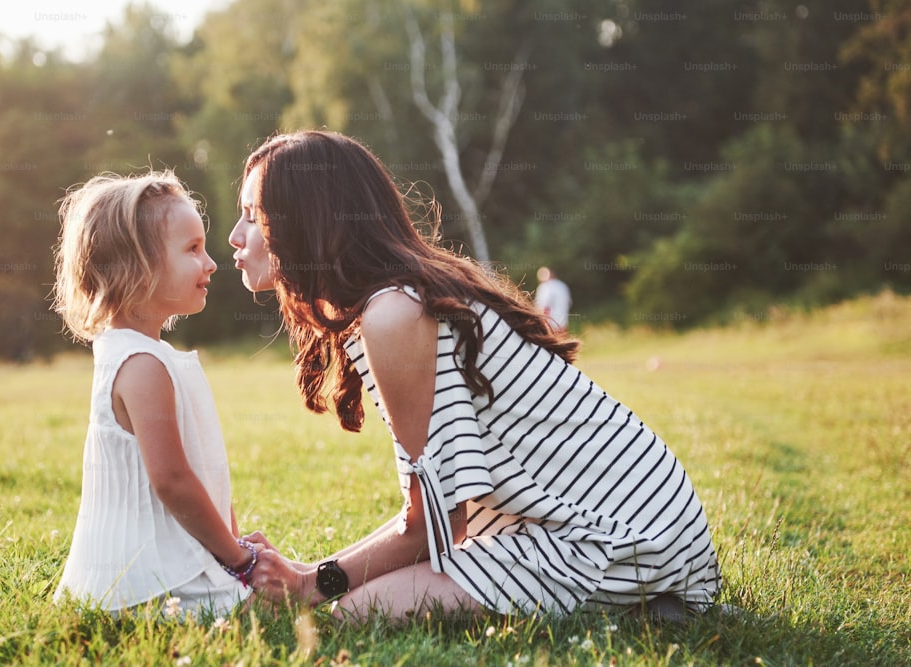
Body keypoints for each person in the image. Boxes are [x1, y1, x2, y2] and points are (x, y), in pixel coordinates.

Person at [229, 130, 721, 621]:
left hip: (627, 541)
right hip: (641, 528)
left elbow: (434, 526)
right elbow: (440, 520)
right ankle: (640, 602)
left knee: (353, 617)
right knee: (362, 606)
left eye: (252, 216)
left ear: (305, 219)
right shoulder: (394, 299)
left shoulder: (392, 313)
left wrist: (311, 585)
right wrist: (311, 576)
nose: (235, 235)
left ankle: (637, 601)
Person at [51, 170, 254, 618]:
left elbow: (202, 474)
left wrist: (234, 546)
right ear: (138, 267)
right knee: (269, 606)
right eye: (192, 249)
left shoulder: (145, 354)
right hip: (144, 585)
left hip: (159, 567)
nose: (211, 263)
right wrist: (241, 563)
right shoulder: (142, 365)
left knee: (264, 592)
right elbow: (174, 482)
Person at [534, 266, 571, 332]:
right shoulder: (563, 286)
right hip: (564, 324)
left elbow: (543, 307)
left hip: (551, 325)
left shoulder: (545, 287)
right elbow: (568, 303)